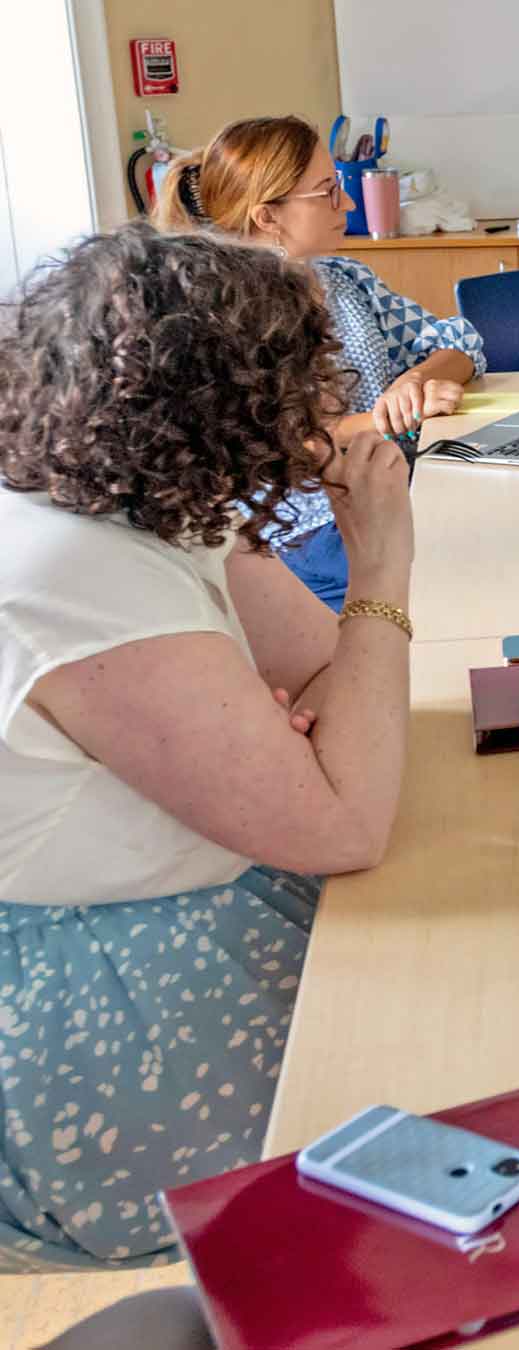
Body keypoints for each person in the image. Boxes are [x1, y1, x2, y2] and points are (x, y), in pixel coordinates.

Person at [0, 225, 415, 1270]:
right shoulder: (68, 570)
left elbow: (323, 671)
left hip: (198, 903)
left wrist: (321, 729)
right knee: (448, 1079)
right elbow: (347, 821)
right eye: (295, 385)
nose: (320, 409)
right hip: (111, 1000)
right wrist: (382, 572)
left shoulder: (131, 491)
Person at [155, 115, 483, 611]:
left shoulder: (344, 279)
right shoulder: (219, 316)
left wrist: (415, 381)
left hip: (390, 493)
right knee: (482, 579)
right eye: (328, 191)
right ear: (268, 216)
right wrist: (382, 418)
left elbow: (457, 343)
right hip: (307, 534)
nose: (348, 203)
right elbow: (274, 446)